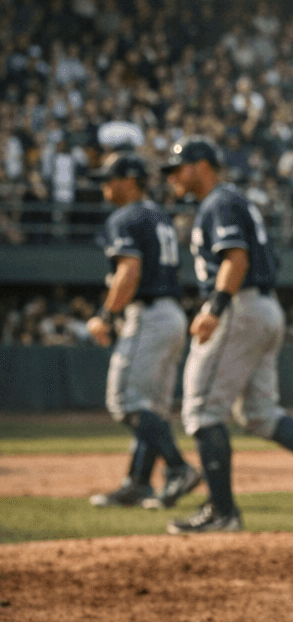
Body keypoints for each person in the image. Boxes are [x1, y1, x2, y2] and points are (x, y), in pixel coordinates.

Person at [163, 136, 293, 534]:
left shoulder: (219, 202)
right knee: (260, 413)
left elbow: (236, 259)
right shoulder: (233, 200)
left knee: (202, 411)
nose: (172, 176)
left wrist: (215, 308)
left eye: (178, 168)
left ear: (202, 166)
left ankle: (222, 513)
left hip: (237, 306)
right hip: (262, 306)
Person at [84, 152, 202, 511]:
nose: (104, 186)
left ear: (130, 180)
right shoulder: (158, 215)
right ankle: (137, 484)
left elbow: (129, 270)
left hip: (149, 314)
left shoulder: (125, 216)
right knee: (153, 409)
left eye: (110, 179)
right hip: (171, 314)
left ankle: (178, 468)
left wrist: (105, 315)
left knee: (125, 402)